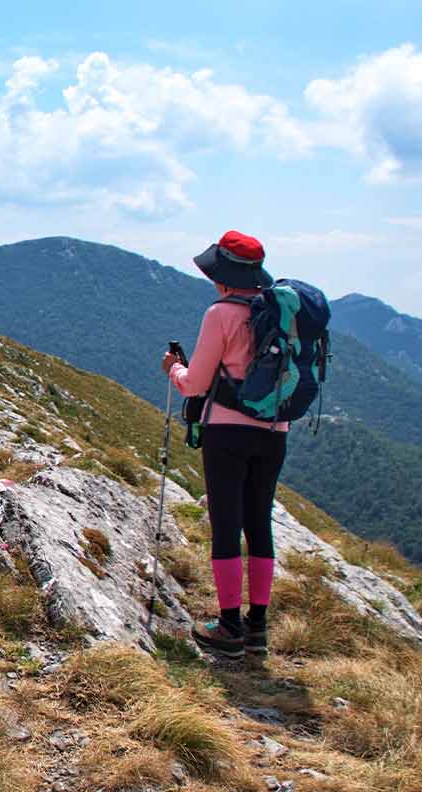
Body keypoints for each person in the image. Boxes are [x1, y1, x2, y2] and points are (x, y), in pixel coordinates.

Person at [162, 230, 285, 661]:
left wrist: (175, 370)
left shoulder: (221, 314)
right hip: (274, 431)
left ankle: (228, 625)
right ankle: (257, 627)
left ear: (224, 276)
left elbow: (196, 384)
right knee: (259, 522)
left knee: (227, 524)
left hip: (227, 432)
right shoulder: (278, 313)